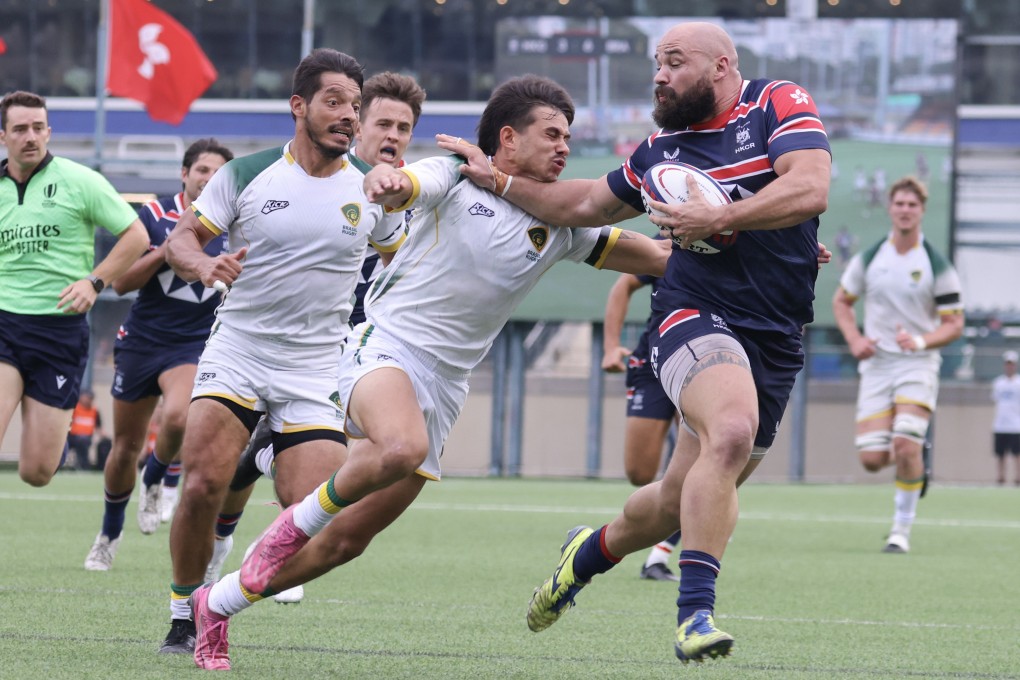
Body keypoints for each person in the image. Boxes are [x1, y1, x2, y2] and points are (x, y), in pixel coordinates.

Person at [187, 74, 670, 671]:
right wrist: (391, 180)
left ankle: (218, 602)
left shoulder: (565, 224)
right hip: (383, 346)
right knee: (398, 445)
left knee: (345, 542)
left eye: (568, 136)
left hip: (446, 385)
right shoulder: (454, 175)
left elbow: (656, 257)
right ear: (508, 139)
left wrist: (749, 236)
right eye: (552, 134)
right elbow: (407, 183)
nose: (564, 146)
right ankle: (284, 527)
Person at [435, 21, 831, 664]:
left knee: (675, 501)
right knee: (729, 434)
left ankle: (583, 556)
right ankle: (694, 615)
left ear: (722, 66)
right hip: (692, 313)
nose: (660, 75)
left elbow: (810, 186)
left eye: (674, 62)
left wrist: (728, 218)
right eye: (657, 63)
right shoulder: (658, 152)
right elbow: (583, 203)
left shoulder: (775, 102)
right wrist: (499, 181)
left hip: (777, 332)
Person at [156, 49, 406, 656]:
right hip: (238, 351)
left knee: (313, 513)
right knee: (200, 485)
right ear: (299, 106)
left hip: (317, 366)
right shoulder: (246, 175)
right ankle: (184, 614)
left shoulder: (368, 187)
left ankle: (263, 453)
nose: (348, 115)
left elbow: (402, 258)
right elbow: (180, 241)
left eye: (354, 104)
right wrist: (204, 262)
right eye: (333, 102)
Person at [203, 71, 427, 605]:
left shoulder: (412, 188)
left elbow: (410, 262)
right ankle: (237, 531)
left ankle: (269, 472)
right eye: (383, 123)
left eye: (405, 127)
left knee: (372, 453)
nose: (393, 136)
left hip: (354, 336)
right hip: (272, 336)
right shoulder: (311, 174)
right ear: (353, 120)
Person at [83, 138, 234, 572]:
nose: (209, 179)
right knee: (123, 447)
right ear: (184, 175)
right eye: (201, 170)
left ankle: (157, 477)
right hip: (142, 342)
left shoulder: (236, 221)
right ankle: (109, 532)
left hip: (194, 344)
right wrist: (167, 251)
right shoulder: (153, 215)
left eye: (218, 172)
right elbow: (122, 283)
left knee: (179, 417)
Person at [0, 90, 149, 488]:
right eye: (19, 129)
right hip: (4, 323)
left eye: (37, 128)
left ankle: (53, 436)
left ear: (48, 132)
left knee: (36, 471)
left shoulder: (80, 181)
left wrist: (95, 281)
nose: (29, 136)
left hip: (59, 332)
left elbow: (136, 235)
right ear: (3, 137)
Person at [833, 175, 964, 554]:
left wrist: (920, 341)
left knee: (905, 445)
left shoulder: (936, 263)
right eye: (900, 204)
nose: (905, 210)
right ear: (890, 208)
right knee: (873, 460)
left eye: (912, 205)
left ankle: (899, 532)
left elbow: (955, 323)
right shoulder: (870, 257)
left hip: (917, 364)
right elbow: (842, 302)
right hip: (876, 366)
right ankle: (915, 460)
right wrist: (855, 339)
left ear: (922, 211)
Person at [601, 270, 682, 581]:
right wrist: (611, 346)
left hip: (703, 362)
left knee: (704, 466)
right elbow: (625, 282)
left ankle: (659, 558)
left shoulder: (739, 243)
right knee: (639, 473)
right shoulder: (670, 244)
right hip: (652, 362)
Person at [991, 350, 1020, 485]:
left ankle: (1017, 478)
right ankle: (1000, 477)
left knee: (1017, 453)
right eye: (1007, 364)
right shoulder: (998, 383)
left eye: (1012, 364)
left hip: (1016, 425)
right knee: (1000, 454)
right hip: (1000, 424)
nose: (1010, 366)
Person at [65, 389, 105, 471]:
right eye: (87, 397)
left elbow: (98, 427)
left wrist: (104, 436)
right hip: (72, 437)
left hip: (86, 438)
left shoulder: (95, 411)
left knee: (83, 440)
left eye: (91, 398)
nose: (89, 400)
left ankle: (83, 467)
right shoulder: (74, 408)